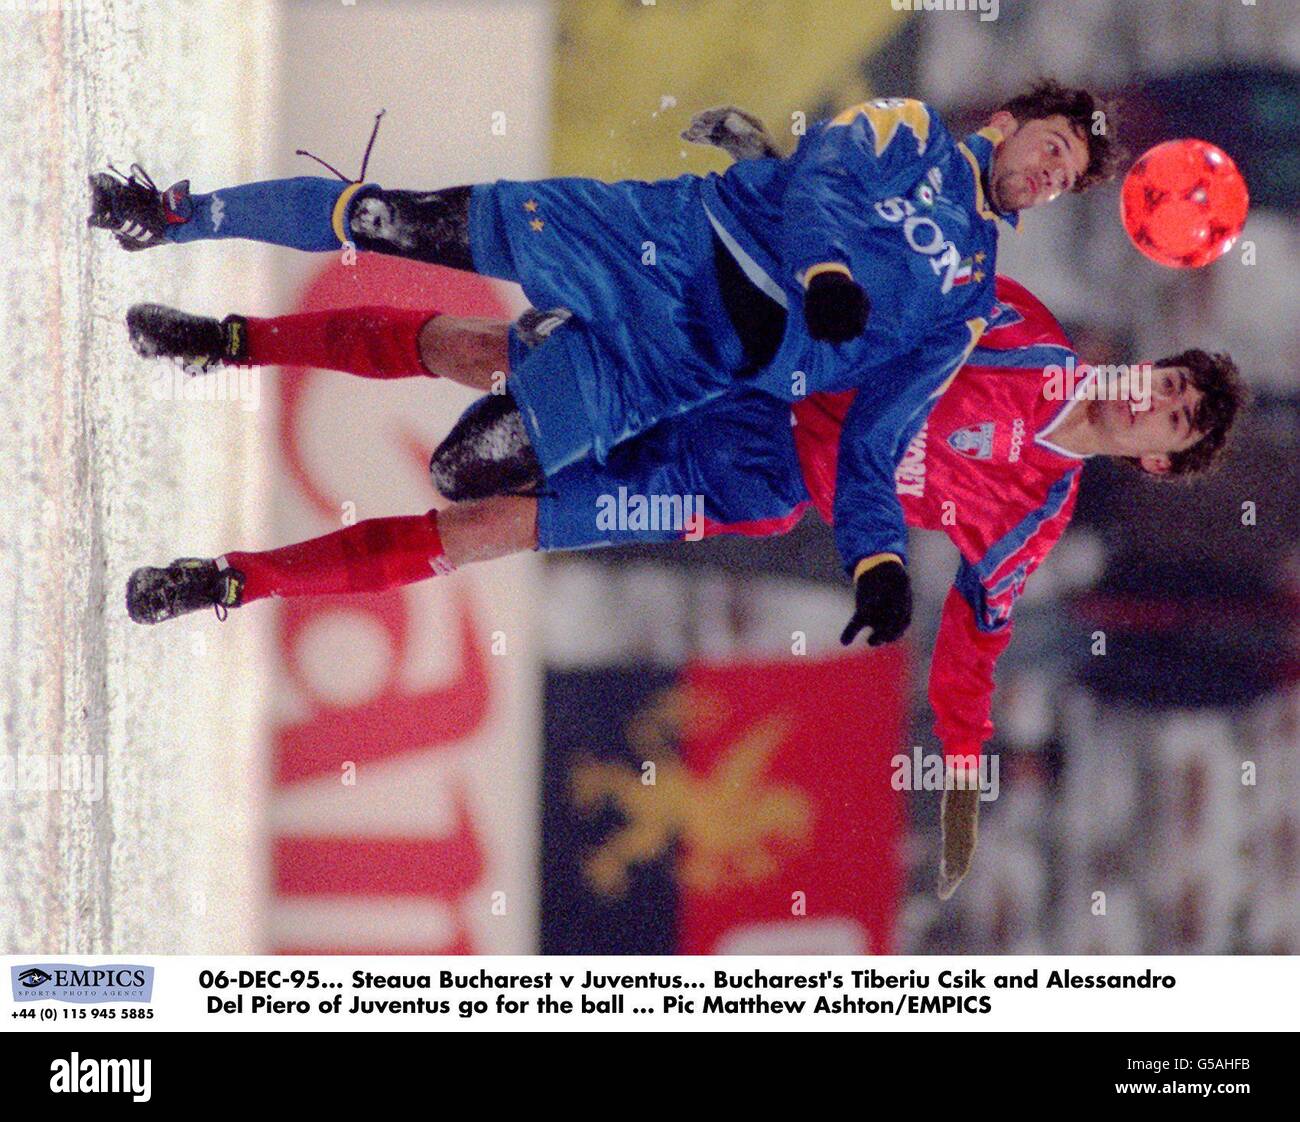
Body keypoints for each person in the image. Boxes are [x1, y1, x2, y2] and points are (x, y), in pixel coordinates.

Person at [122, 278, 1245, 897]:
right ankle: (230, 338)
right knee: (483, 350)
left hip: (731, 483)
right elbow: (885, 286)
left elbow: (971, 656)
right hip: (731, 371)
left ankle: (226, 581)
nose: (1159, 395)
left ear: (1155, 457)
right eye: (1173, 378)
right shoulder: (1024, 328)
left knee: (485, 532)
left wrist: (956, 785)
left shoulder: (1032, 520)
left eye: (1178, 414)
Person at [91, 81, 1117, 642]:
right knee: (403, 221)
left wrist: (880, 562)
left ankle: (234, 578)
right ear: (1006, 122)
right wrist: (823, 272)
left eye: (1065, 175)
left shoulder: (967, 307)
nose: (1047, 170)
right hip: (654, 242)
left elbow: (878, 437)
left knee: (467, 480)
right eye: (1049, 146)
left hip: (682, 374)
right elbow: (814, 184)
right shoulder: (913, 135)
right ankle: (174, 216)